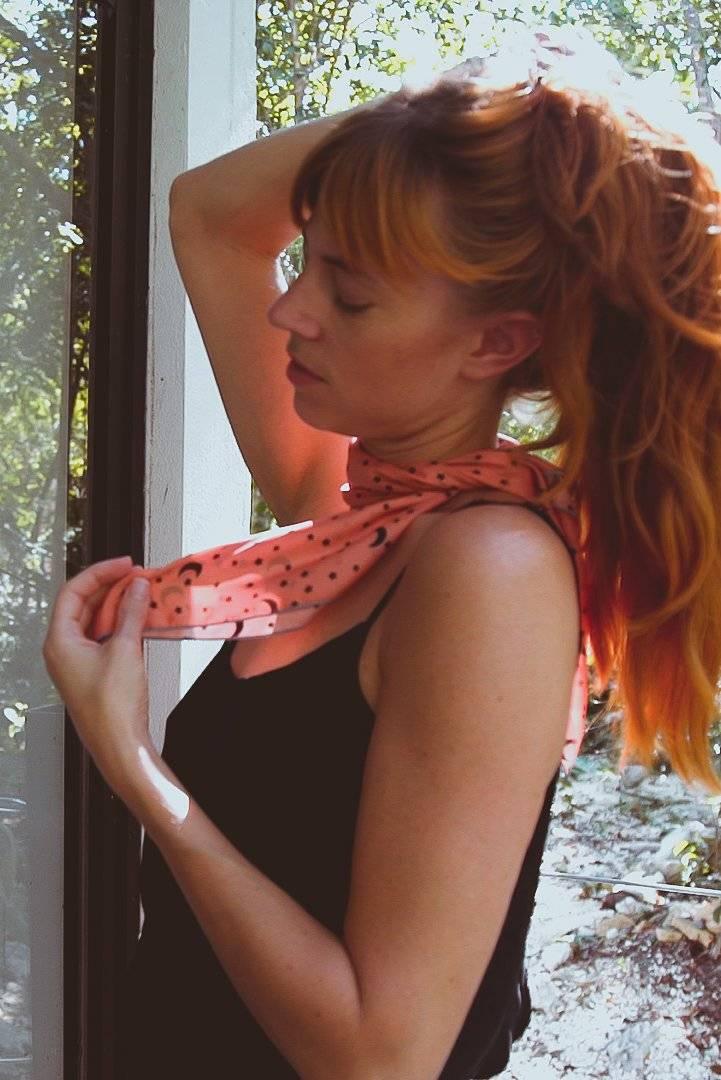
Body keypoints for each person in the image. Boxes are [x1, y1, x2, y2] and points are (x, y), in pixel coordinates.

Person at [112, 23, 721, 1079]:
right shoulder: (358, 518)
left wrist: (133, 767)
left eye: (350, 293)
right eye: (312, 264)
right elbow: (209, 214)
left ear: (496, 342)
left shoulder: (488, 573)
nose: (291, 310)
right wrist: (481, 129)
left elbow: (380, 1054)